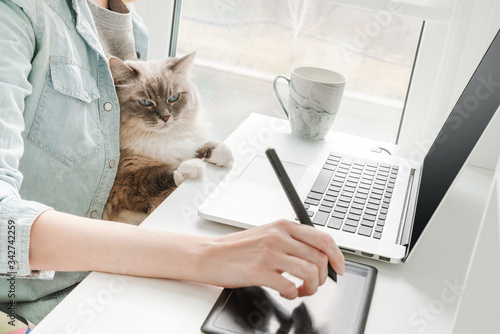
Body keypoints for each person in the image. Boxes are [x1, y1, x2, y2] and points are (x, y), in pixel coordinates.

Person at [0, 0, 345, 328]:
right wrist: (209, 255)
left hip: (115, 274)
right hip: (30, 304)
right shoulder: (18, 13)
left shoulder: (131, 24)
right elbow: (5, 225)